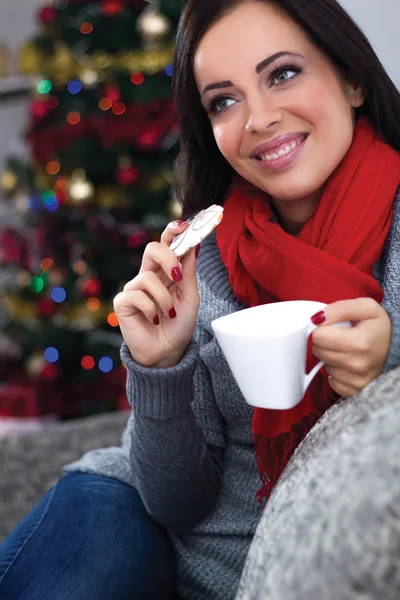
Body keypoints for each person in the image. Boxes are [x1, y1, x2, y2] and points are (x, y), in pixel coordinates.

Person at [1, 0, 400, 598]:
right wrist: (161, 366)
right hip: (129, 512)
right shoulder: (206, 259)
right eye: (224, 100)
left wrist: (386, 367)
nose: (259, 118)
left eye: (283, 73)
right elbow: (174, 503)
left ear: (351, 80)